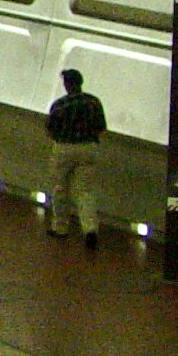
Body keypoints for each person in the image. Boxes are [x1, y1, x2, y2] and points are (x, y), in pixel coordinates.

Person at [46, 68, 108, 249]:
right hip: (88, 148)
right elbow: (101, 126)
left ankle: (60, 227)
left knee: (59, 187)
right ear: (81, 82)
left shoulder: (59, 105)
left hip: (64, 147)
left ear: (66, 85)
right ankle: (90, 229)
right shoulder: (94, 102)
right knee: (86, 191)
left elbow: (50, 130)